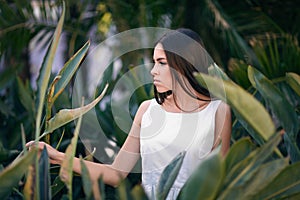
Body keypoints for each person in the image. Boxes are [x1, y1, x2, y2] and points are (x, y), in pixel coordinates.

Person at [27, 28, 231, 200]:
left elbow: (221, 181)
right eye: (154, 62)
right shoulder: (147, 110)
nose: (153, 71)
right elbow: (116, 174)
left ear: (184, 64)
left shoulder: (218, 112)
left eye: (161, 62)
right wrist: (59, 157)